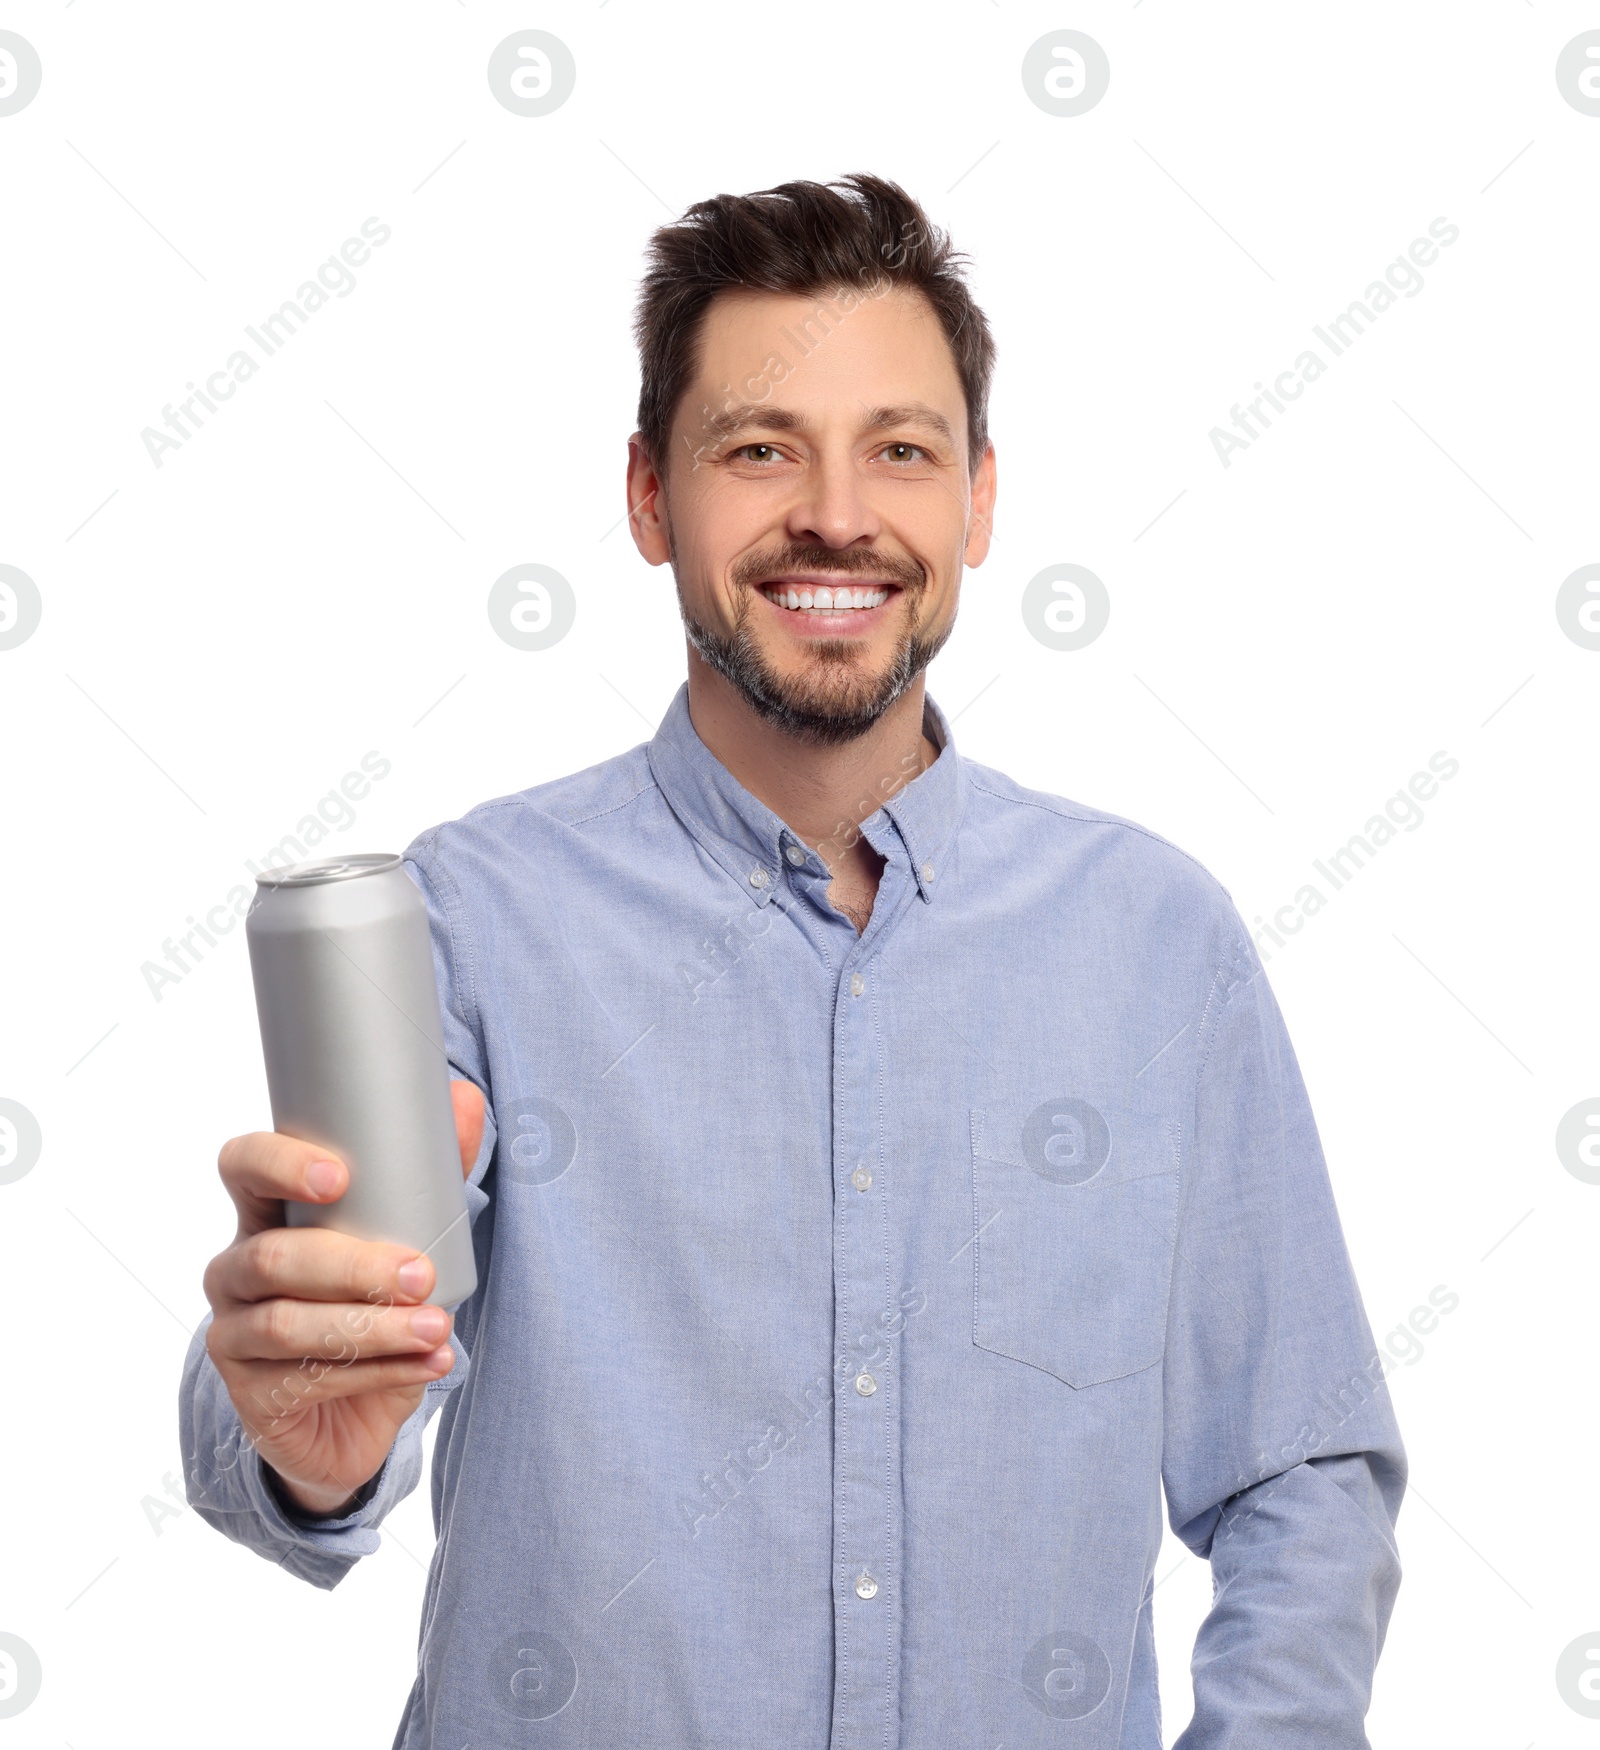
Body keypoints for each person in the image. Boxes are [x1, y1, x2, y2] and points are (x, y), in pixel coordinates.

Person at [180, 173, 1406, 1747]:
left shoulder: (1160, 942)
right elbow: (308, 1406)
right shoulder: (472, 916)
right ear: (646, 496)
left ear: (976, 501)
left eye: (901, 449)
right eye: (759, 449)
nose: (837, 512)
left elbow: (1299, 1463)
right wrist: (305, 1438)